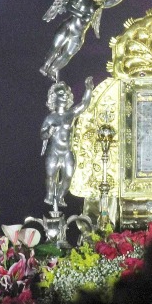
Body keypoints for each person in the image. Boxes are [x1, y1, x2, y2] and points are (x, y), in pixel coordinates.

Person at [40, 0, 136, 81]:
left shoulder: (98, 3)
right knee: (55, 48)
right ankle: (45, 66)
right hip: (68, 27)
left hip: (79, 35)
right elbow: (68, 6)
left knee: (68, 54)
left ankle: (53, 69)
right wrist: (81, 14)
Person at [40, 77, 93, 207]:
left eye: (65, 94)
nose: (64, 97)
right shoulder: (50, 117)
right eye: (60, 95)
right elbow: (42, 134)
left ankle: (60, 196)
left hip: (67, 152)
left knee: (68, 176)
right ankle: (50, 194)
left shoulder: (70, 114)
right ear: (54, 98)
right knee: (51, 176)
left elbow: (84, 104)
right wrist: (49, 132)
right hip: (54, 151)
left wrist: (89, 89)